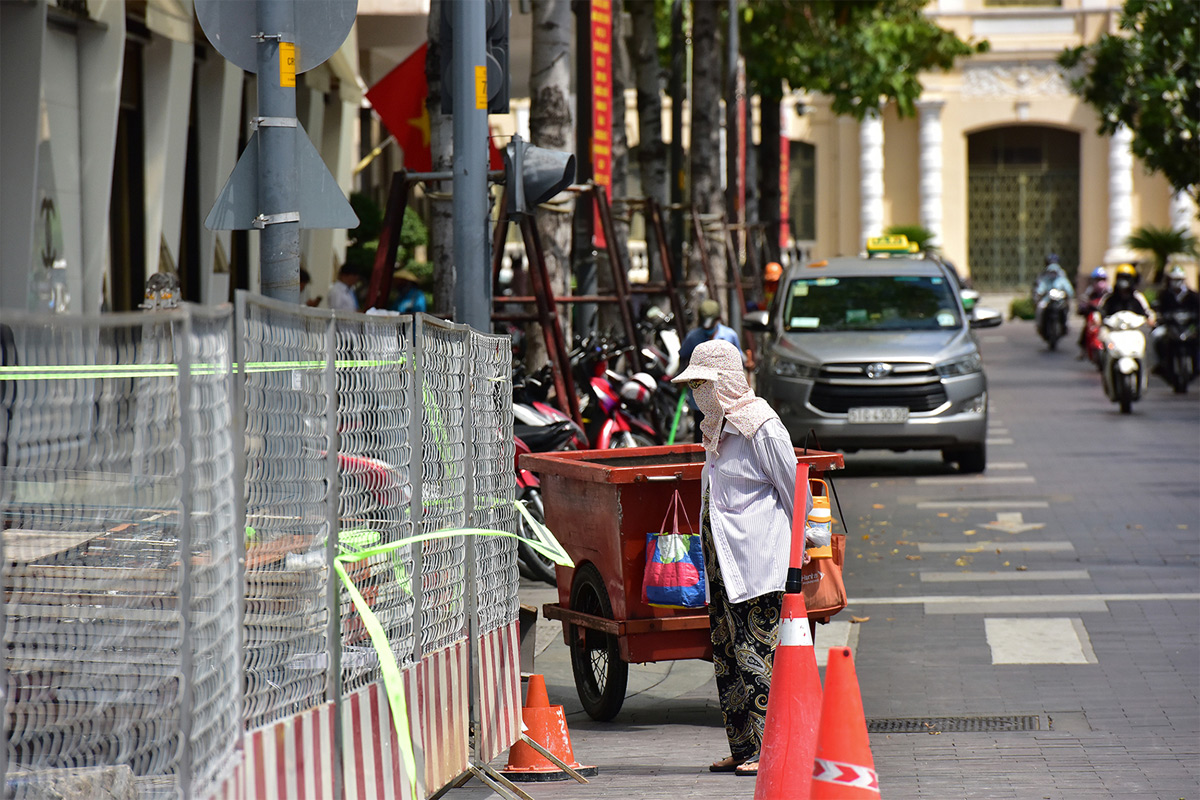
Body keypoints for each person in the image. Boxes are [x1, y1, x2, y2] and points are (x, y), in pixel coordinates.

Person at [670, 339, 812, 778]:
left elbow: (795, 492)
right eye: (693, 385)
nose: (698, 394)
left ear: (726, 382)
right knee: (727, 656)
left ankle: (769, 749)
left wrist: (801, 552)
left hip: (757, 564)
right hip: (721, 565)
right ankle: (743, 746)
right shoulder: (715, 430)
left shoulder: (761, 427)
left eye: (704, 384)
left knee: (758, 656)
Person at [677, 299, 741, 443]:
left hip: (725, 396)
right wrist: (681, 379)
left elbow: (739, 361)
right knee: (702, 436)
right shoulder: (693, 337)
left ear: (718, 319)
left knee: (725, 437)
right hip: (702, 397)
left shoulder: (730, 336)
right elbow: (683, 357)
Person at [1076, 267, 1108, 359]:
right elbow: (1084, 301)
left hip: (1104, 314)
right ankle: (1083, 348)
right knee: (1087, 327)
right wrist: (1084, 306)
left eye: (1102, 279)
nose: (1100, 282)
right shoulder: (1090, 290)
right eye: (1098, 280)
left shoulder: (1108, 291)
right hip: (1093, 313)